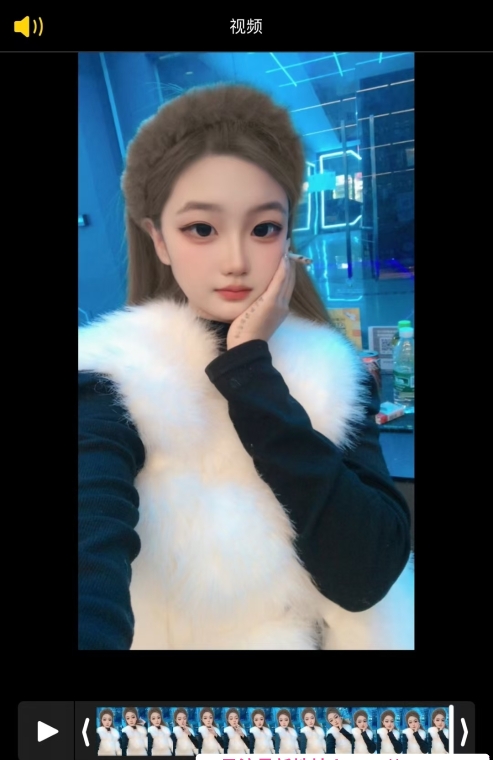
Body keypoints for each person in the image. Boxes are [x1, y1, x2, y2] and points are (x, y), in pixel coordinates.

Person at [78, 82, 414, 651]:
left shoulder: (335, 373)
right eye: (201, 229)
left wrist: (249, 369)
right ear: (159, 239)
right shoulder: (111, 380)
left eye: (263, 229)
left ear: (288, 238)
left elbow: (366, 576)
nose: (235, 261)